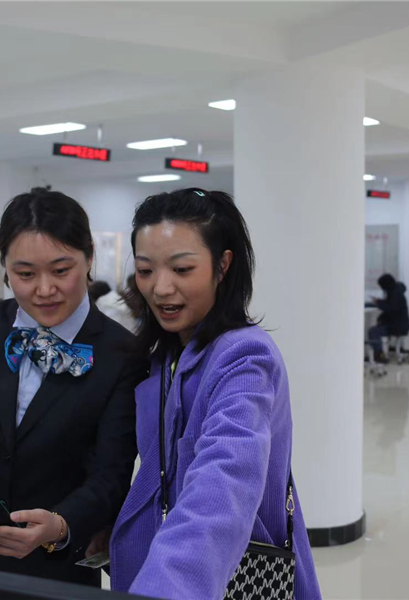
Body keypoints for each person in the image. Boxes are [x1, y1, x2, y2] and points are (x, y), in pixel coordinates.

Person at [0, 187, 145, 587]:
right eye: (25, 274)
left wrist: (60, 525)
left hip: (51, 568)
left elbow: (110, 476)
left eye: (61, 270)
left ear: (89, 257)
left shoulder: (121, 353)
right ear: (4, 267)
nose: (44, 289)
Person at [109, 188, 321, 600]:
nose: (160, 288)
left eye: (182, 269)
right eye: (145, 270)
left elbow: (224, 482)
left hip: (223, 576)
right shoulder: (166, 353)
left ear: (223, 265)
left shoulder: (245, 357)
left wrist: (169, 586)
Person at [367, 273, 409, 362]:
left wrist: (377, 302)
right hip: (401, 324)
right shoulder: (397, 290)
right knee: (377, 328)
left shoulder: (395, 294)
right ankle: (380, 353)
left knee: (373, 331)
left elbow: (390, 308)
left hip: (397, 326)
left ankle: (380, 356)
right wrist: (378, 302)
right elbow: (390, 305)